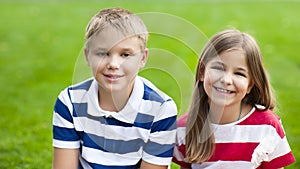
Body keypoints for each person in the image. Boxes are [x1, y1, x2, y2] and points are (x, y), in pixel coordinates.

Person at [52, 7, 177, 169]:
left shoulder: (161, 109)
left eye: (125, 55)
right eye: (103, 53)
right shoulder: (70, 102)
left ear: (142, 58)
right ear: (87, 56)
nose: (113, 64)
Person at [172, 29, 295, 169]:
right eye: (219, 68)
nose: (226, 80)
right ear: (202, 72)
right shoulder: (185, 128)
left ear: (250, 85)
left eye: (239, 73)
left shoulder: (267, 126)